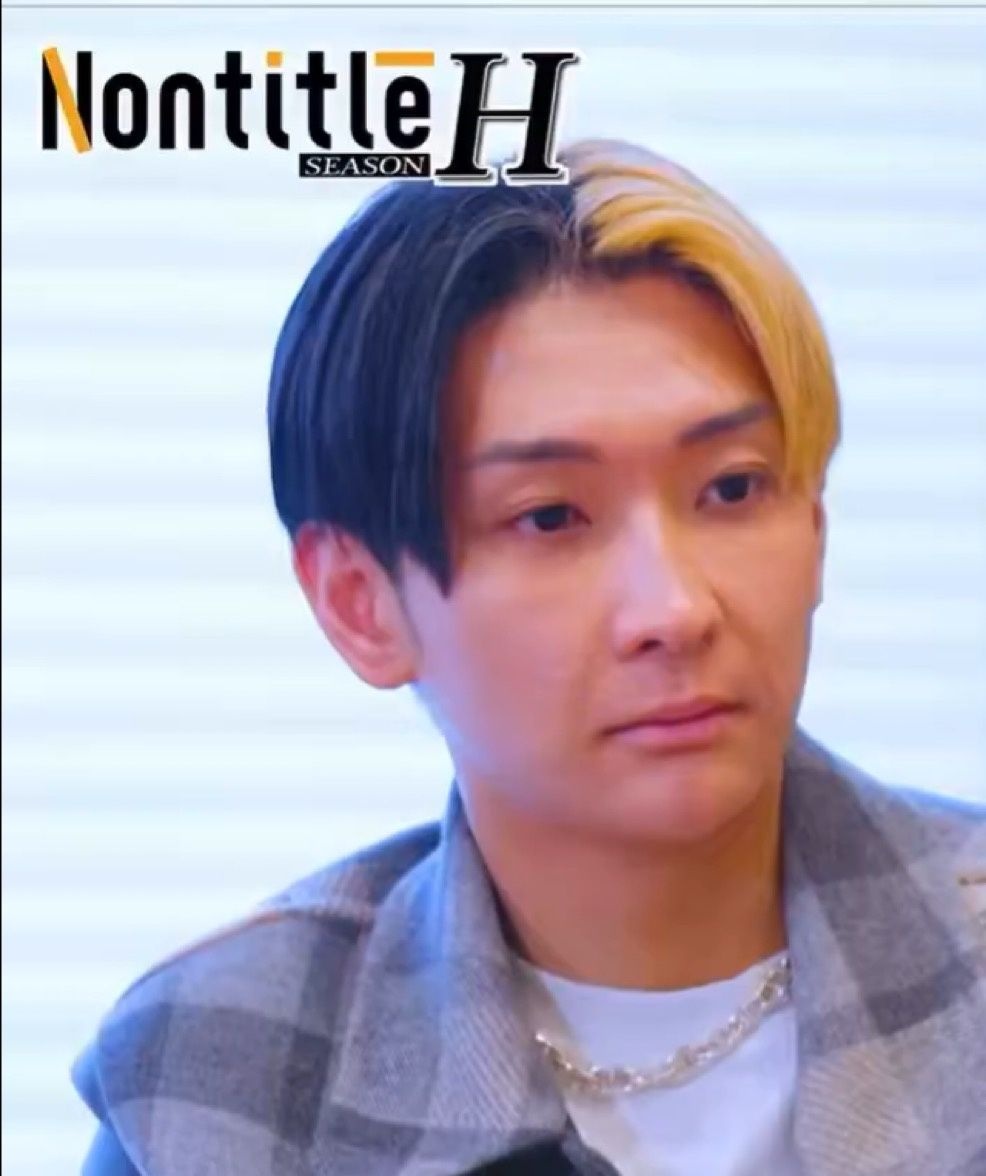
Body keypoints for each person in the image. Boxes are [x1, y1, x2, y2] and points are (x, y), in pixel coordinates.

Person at [71, 139, 985, 1176]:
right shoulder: (226, 1078)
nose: (675, 609)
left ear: (813, 525)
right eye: (550, 516)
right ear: (360, 604)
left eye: (731, 489)